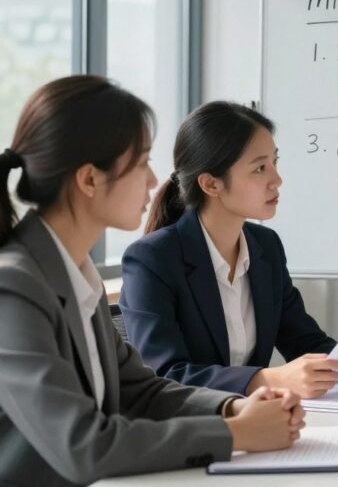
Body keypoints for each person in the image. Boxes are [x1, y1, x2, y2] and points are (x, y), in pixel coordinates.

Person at [0, 76, 304, 487]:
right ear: (89, 180)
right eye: (141, 162)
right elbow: (83, 446)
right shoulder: (14, 287)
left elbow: (142, 391)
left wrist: (234, 408)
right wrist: (236, 433)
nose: (152, 179)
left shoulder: (74, 274)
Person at [119, 101, 338, 398]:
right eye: (260, 168)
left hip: (260, 416)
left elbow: (303, 339)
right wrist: (267, 379)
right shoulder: (152, 259)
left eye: (275, 162)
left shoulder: (266, 247)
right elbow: (166, 375)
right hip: (196, 422)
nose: (277, 180)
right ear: (211, 184)